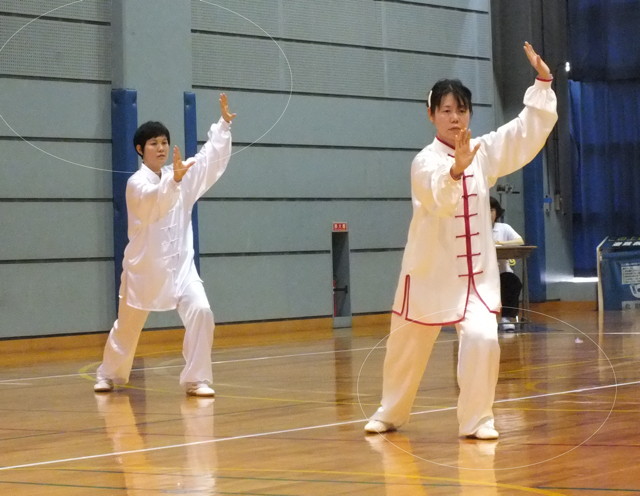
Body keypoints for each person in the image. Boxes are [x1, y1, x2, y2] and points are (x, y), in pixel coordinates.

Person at [364, 43, 557, 439]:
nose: (455, 118)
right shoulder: (424, 161)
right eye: (447, 110)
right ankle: (391, 411)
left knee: (485, 339)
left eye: (462, 110)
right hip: (429, 273)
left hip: (475, 281)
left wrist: (542, 82)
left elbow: (521, 133)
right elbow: (436, 198)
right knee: (406, 348)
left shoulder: (482, 152)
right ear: (431, 114)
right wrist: (455, 170)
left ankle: (478, 418)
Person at [94, 93, 236, 397]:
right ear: (139, 149)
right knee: (127, 329)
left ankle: (196, 379)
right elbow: (152, 206)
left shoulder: (179, 174)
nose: (160, 148)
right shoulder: (136, 183)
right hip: (143, 272)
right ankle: (108, 373)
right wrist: (173, 182)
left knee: (201, 311)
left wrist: (223, 125)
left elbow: (209, 160)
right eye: (153, 143)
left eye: (163, 142)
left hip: (182, 269)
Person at [490, 196, 524, 332]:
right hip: (480, 274)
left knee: (513, 282)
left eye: (491, 210)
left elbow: (519, 241)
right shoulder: (474, 229)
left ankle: (506, 319)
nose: (488, 214)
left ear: (497, 212)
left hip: (502, 272)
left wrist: (501, 243)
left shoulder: (503, 228)